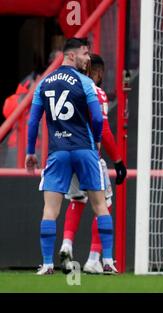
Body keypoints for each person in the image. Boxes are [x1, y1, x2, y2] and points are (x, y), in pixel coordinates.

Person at [25, 38, 114, 275]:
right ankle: (107, 261)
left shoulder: (43, 84)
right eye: (85, 54)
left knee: (50, 210)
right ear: (72, 56)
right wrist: (95, 140)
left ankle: (46, 264)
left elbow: (33, 120)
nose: (88, 59)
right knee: (101, 205)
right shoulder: (85, 83)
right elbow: (96, 118)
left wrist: (30, 152)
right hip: (85, 151)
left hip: (58, 152)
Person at [58, 54, 127, 275]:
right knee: (103, 205)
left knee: (77, 201)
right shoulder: (96, 92)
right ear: (96, 72)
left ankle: (66, 244)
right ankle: (96, 258)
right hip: (90, 156)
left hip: (66, 154)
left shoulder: (65, 91)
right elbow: (104, 130)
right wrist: (117, 159)